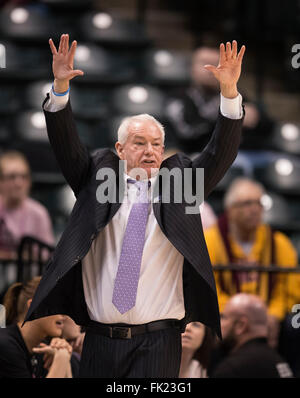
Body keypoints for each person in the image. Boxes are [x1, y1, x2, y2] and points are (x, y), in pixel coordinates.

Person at [23, 34, 245, 378]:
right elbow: (66, 144)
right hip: (99, 337)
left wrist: (229, 94)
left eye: (157, 144)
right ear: (120, 149)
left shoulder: (180, 187)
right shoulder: (95, 179)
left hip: (158, 340)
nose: (150, 151)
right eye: (139, 143)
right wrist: (60, 88)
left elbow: (219, 154)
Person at [204, 177, 298, 348]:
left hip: (270, 318)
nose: (255, 209)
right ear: (231, 210)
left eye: (258, 204)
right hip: (226, 315)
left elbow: (287, 289)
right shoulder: (210, 241)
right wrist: (238, 315)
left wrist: (272, 315)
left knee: (295, 324)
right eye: (247, 203)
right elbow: (208, 289)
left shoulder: (279, 243)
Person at [165, 46, 274, 153]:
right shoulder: (178, 97)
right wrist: (230, 118)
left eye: (218, 64)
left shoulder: (234, 95)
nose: (211, 69)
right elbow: (187, 132)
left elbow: (267, 126)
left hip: (239, 155)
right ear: (191, 68)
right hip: (198, 156)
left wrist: (257, 117)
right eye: (205, 63)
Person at [0, 277, 73, 378]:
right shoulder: (5, 345)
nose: (64, 315)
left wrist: (64, 357)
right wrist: (61, 359)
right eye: (58, 305)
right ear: (33, 307)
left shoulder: (43, 349)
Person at [211, 294, 294, 378]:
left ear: (241, 325)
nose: (220, 323)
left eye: (224, 317)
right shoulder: (280, 363)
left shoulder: (230, 370)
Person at [0, 150, 54, 259]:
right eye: (12, 177)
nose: (18, 183)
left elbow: (47, 256)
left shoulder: (39, 213)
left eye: (24, 177)